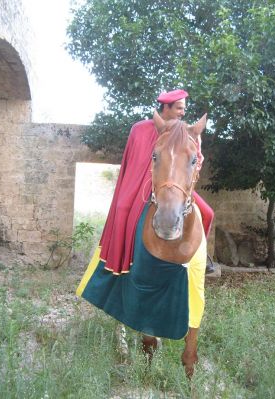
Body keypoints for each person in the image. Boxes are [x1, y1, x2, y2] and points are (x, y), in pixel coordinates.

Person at [76, 89, 213, 374]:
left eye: (184, 108)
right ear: (164, 107)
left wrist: (196, 161)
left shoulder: (187, 132)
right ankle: (122, 258)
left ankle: (203, 260)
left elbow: (196, 162)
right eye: (178, 107)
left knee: (209, 213)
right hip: (147, 186)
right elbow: (136, 163)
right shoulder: (141, 129)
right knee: (126, 209)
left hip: (177, 189)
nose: (182, 112)